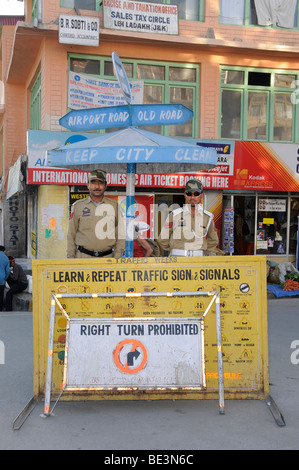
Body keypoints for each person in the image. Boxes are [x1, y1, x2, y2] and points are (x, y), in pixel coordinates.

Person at [67, 169, 125, 259]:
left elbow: (121, 235)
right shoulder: (78, 206)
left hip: (107, 259)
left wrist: (117, 257)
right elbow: (71, 234)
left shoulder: (114, 206)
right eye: (93, 183)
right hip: (83, 258)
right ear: (88, 185)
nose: (97, 186)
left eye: (100, 183)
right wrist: (70, 259)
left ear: (105, 186)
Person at [158, 179, 223, 257]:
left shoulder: (207, 217)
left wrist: (201, 250)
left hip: (198, 261)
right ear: (185, 195)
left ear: (202, 195)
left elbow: (213, 240)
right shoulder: (175, 215)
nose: (192, 197)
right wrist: (176, 248)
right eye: (189, 194)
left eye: (196, 194)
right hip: (178, 260)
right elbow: (162, 238)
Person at [0, 246, 10, 311]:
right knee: (1, 295)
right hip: (1, 279)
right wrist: (4, 278)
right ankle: (0, 308)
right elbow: (7, 271)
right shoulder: (6, 258)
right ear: (4, 251)